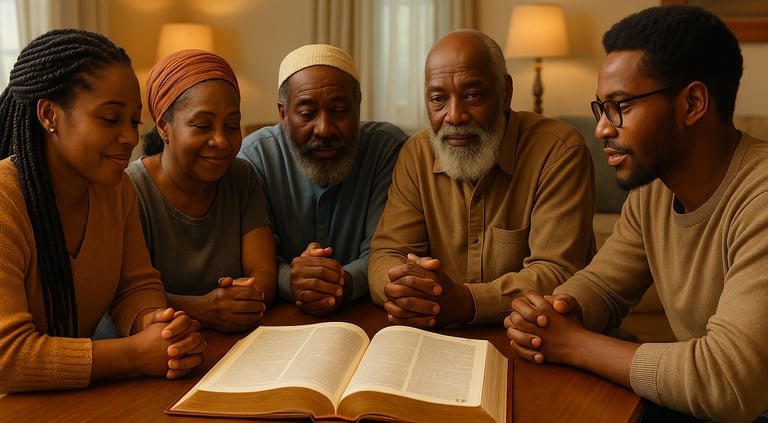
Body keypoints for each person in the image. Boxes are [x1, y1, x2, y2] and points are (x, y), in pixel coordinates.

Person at [504, 6, 768, 422]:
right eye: (601, 108)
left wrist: (570, 344)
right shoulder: (653, 192)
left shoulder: (761, 200)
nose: (602, 130)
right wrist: (556, 311)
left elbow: (728, 381)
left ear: (693, 103)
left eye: (620, 106)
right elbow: (604, 285)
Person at [0, 29, 205, 393]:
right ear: (50, 115)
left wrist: (157, 325)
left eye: (134, 121)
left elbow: (134, 285)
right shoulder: (5, 198)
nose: (129, 137)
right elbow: (7, 357)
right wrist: (133, 355)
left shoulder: (117, 189)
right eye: (111, 119)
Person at [368, 29, 596, 329]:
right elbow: (388, 253)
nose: (455, 116)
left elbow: (557, 272)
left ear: (505, 93)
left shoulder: (559, 150)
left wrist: (466, 301)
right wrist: (406, 289)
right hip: (438, 335)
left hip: (537, 338)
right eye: (438, 99)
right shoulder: (417, 154)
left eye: (472, 95)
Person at [237, 44, 408, 316]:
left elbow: (385, 251)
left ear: (358, 107)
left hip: (367, 312)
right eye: (307, 114)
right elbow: (258, 261)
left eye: (340, 110)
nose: (325, 128)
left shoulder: (387, 149)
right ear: (283, 114)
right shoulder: (254, 158)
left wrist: (342, 282)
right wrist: (291, 280)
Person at [126, 49, 277, 333]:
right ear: (163, 127)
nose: (221, 140)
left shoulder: (241, 178)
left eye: (232, 126)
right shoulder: (130, 190)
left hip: (235, 343)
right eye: (202, 125)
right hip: (162, 347)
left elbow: (264, 272)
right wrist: (203, 309)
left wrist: (246, 296)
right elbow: (123, 297)